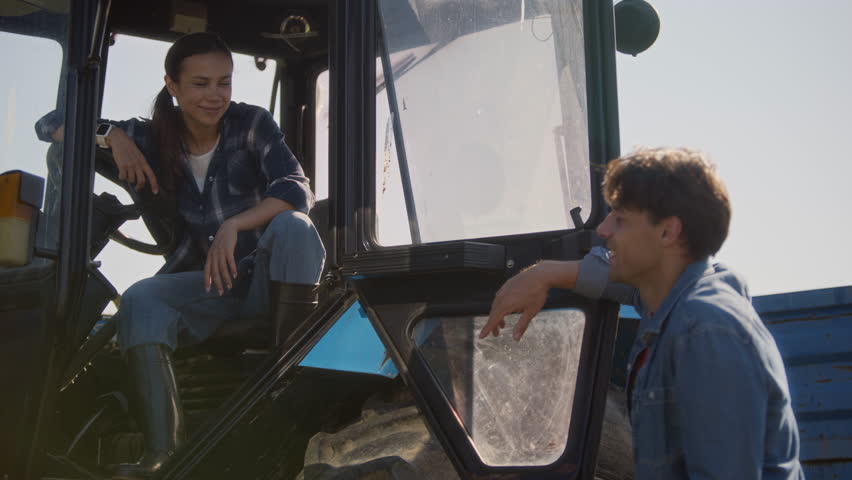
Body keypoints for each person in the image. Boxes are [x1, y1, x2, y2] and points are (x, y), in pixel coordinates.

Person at [35, 32, 325, 478]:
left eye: (224, 83)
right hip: (211, 286)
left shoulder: (251, 124)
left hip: (265, 279)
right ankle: (162, 451)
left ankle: (288, 387)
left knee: (294, 226)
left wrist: (236, 224)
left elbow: (295, 188)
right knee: (140, 299)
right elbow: (50, 124)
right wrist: (110, 134)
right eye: (201, 83)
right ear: (172, 85)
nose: (215, 96)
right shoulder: (151, 137)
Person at [479, 148, 803, 479]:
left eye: (619, 219)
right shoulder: (665, 304)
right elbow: (609, 277)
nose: (603, 231)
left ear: (667, 232)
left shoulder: (706, 329)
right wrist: (543, 273)